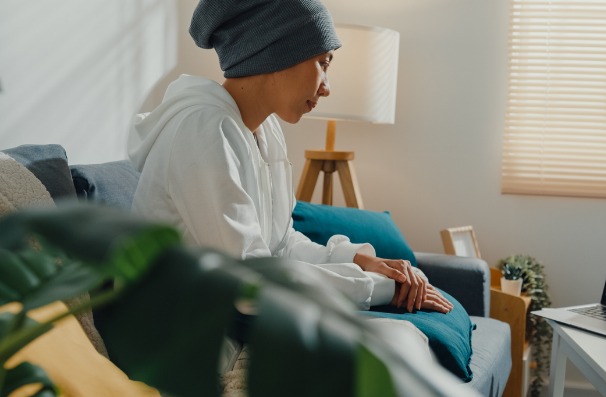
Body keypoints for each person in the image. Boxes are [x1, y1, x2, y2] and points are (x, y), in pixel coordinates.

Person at [127, 0, 452, 315]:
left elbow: (280, 244)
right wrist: (380, 287)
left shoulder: (265, 131)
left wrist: (359, 260)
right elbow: (248, 279)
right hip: (179, 333)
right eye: (323, 63)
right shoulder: (202, 129)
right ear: (277, 51)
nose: (327, 88)